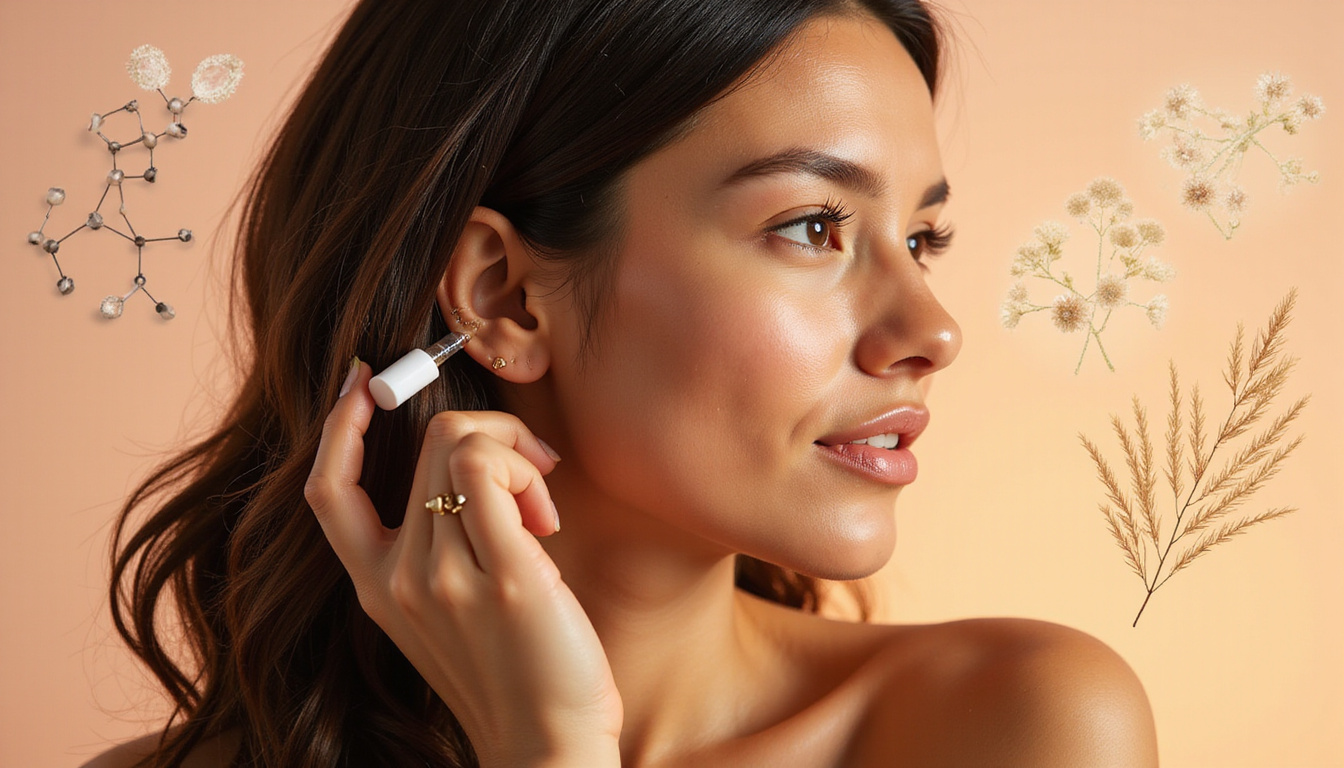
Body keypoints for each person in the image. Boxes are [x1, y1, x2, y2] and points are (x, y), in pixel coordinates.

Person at [86, 0, 1159, 765]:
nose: (931, 330)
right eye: (814, 227)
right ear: (503, 297)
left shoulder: (1019, 729)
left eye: (921, 237)